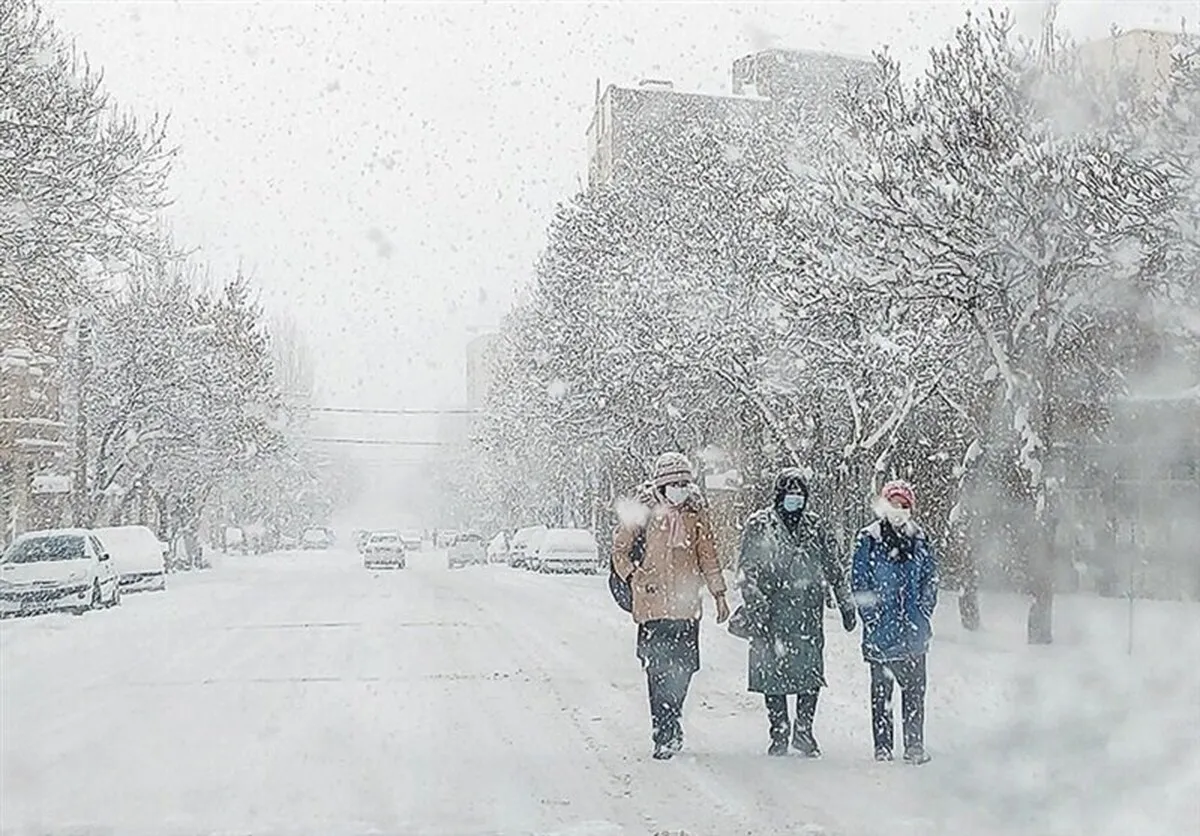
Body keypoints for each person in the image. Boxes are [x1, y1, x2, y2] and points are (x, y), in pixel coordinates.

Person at [612, 452, 730, 760]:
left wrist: (719, 594)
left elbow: (708, 556)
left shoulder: (695, 514)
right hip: (652, 608)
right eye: (675, 483)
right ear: (663, 484)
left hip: (686, 606)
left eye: (685, 483)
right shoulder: (644, 512)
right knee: (657, 671)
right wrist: (635, 577)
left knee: (685, 668)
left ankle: (673, 717)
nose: (681, 488)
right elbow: (619, 550)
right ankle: (662, 733)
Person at [737, 468, 856, 757]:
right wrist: (756, 602)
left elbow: (833, 567)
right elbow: (746, 571)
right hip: (770, 614)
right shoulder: (759, 524)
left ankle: (804, 731)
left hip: (806, 614)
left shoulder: (815, 526)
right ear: (779, 495)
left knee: (809, 673)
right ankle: (779, 730)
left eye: (800, 494)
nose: (795, 499)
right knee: (772, 673)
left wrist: (846, 603)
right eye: (789, 493)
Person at [851, 480, 939, 765]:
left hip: (914, 632)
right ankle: (883, 745)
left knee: (914, 692)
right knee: (882, 694)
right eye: (894, 504)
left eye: (905, 505)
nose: (899, 510)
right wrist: (872, 618)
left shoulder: (920, 539)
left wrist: (923, 611)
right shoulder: (869, 538)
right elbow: (859, 581)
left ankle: (914, 745)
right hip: (882, 632)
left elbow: (930, 578)